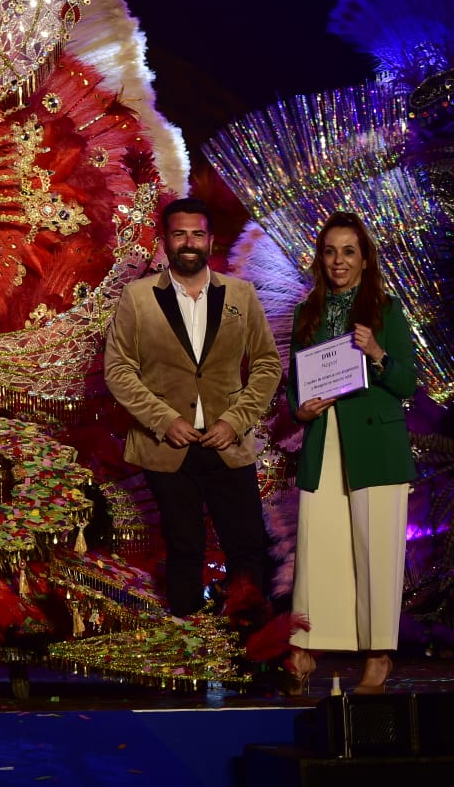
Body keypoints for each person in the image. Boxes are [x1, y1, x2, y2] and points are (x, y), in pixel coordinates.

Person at [104, 197, 281, 616]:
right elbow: (118, 369)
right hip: (166, 448)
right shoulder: (138, 297)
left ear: (210, 240)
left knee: (247, 545)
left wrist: (236, 421)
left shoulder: (242, 294)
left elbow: (267, 364)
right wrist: (164, 420)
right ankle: (191, 650)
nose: (189, 242)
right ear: (165, 241)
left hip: (228, 444)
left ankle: (248, 646)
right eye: (179, 234)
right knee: (184, 545)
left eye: (197, 234)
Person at [284, 212, 416, 695]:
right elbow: (293, 384)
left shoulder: (387, 308)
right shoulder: (306, 313)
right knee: (319, 550)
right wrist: (300, 409)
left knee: (375, 552)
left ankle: (378, 656)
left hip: (376, 446)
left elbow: (407, 383)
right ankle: (303, 648)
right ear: (320, 258)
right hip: (325, 440)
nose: (338, 261)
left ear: (364, 260)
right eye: (330, 251)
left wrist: (378, 354)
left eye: (348, 252)